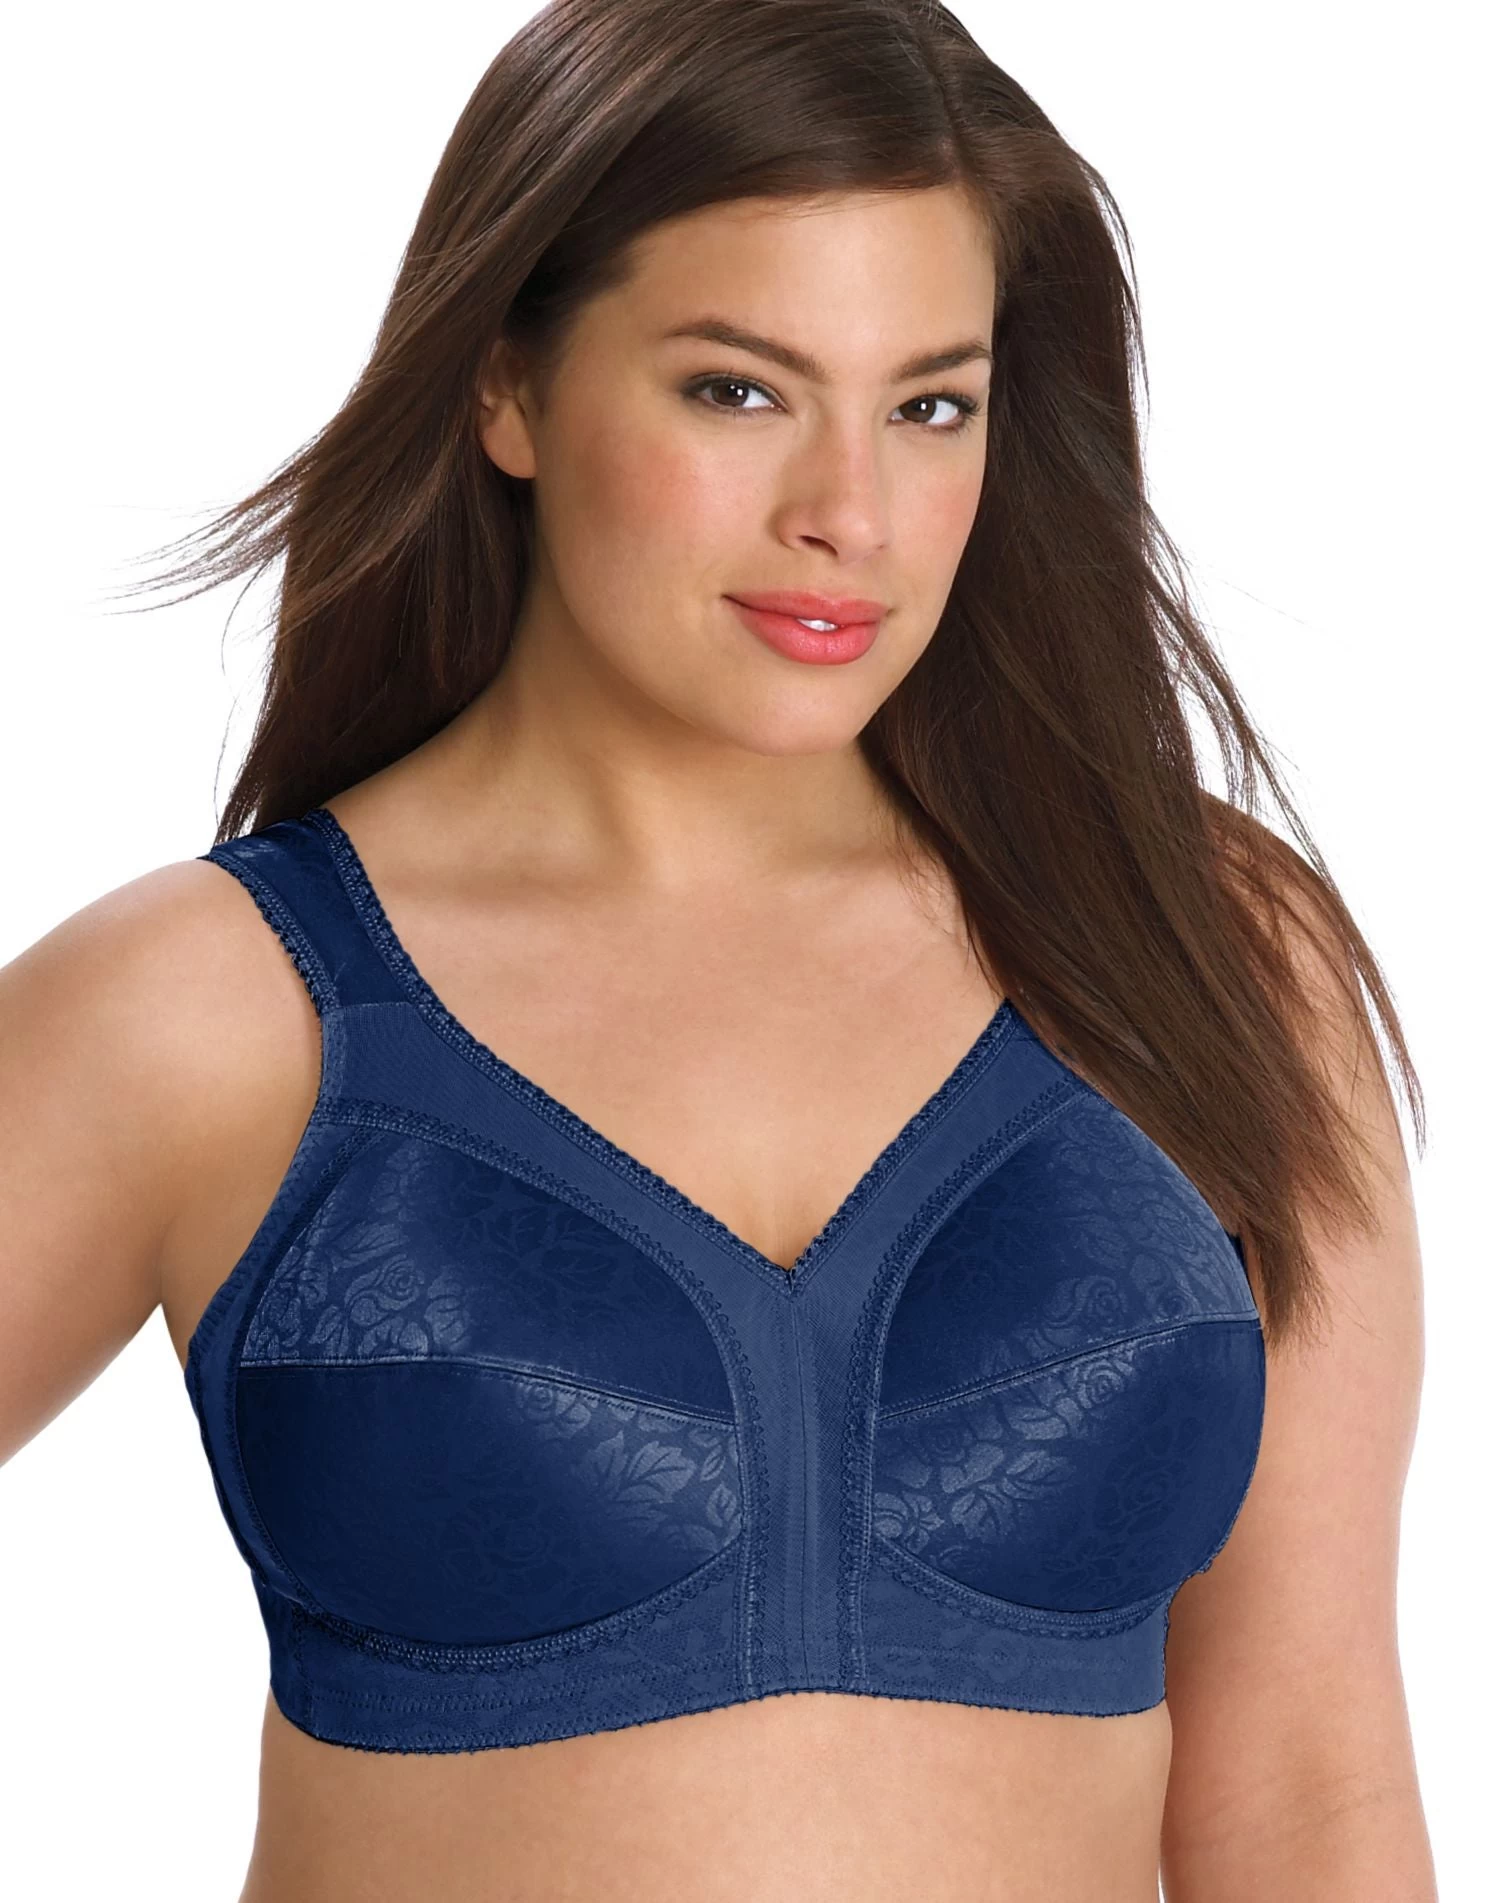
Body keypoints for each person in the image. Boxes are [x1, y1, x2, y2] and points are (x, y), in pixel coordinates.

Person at [0, 1, 1437, 1898]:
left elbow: (1310, 1788)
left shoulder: (1208, 954)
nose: (849, 515)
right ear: (509, 387)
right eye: (739, 392)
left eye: (930, 406)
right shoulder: (211, 1007)